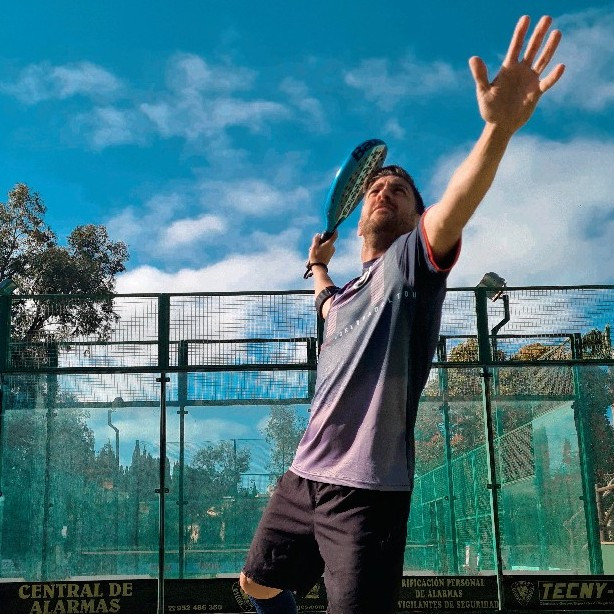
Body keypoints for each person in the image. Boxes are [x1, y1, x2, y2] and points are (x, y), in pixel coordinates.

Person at [240, 15, 565, 614]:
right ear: (360, 211)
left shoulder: (411, 264)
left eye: (399, 189)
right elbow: (326, 300)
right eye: (375, 188)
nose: (383, 191)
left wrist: (497, 130)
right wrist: (316, 266)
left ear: (417, 216)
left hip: (368, 493)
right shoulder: (343, 298)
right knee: (256, 583)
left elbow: (455, 207)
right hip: (303, 475)